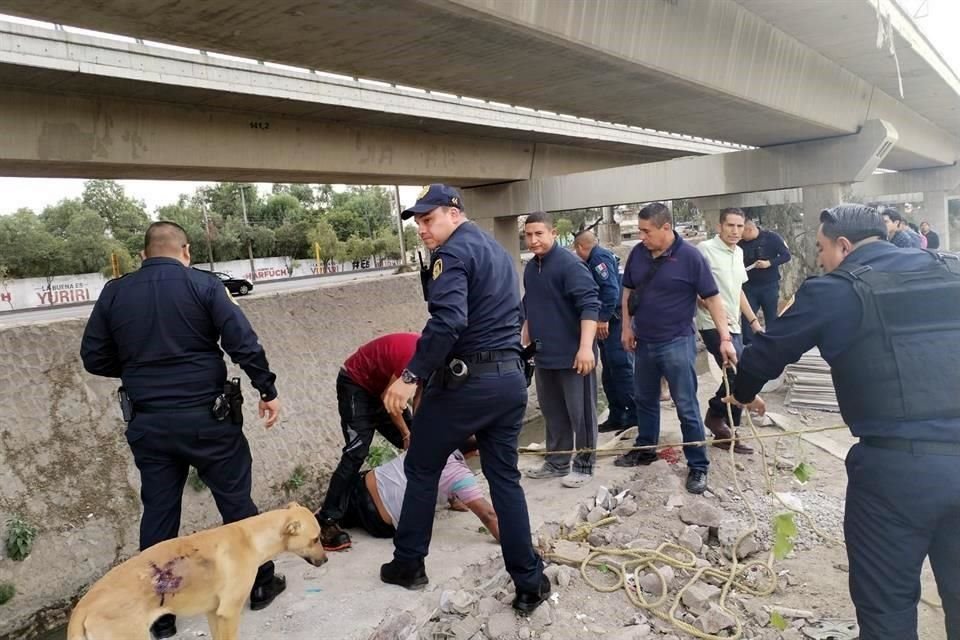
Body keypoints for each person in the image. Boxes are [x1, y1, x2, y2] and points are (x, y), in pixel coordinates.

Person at [728, 204, 960, 640]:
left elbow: (765, 353)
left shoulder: (837, 290)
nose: (820, 259)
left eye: (821, 248)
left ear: (844, 245)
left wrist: (742, 395)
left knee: (887, 607)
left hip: (895, 474)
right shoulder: (953, 270)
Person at [80, 221, 285, 640]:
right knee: (235, 501)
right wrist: (267, 388)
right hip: (208, 419)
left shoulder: (115, 292)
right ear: (185, 250)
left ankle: (161, 612)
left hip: (149, 423)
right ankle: (260, 583)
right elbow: (242, 341)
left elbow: (93, 356)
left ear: (143, 255)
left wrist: (140, 367)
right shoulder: (205, 286)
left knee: (158, 512)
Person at [379, 184, 550, 614]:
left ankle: (408, 564)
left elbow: (449, 320)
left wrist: (410, 376)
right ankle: (529, 581)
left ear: (454, 213)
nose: (422, 229)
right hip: (510, 380)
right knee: (504, 479)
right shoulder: (493, 250)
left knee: (421, 467)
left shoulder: (451, 254)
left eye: (428, 219)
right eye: (417, 222)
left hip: (465, 384)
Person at [613, 203, 736, 495]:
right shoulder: (638, 255)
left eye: (647, 231)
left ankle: (698, 464)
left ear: (666, 228)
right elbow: (628, 291)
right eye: (640, 231)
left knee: (686, 405)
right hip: (644, 342)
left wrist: (725, 338)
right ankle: (645, 448)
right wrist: (627, 328)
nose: (642, 237)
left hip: (677, 343)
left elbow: (713, 298)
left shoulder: (691, 257)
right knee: (644, 399)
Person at [314, 332, 418, 552]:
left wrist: (416, 430)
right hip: (355, 384)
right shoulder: (416, 355)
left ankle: (441, 494)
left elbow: (419, 397)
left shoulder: (436, 360)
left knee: (422, 442)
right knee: (356, 452)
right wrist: (406, 434)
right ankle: (327, 519)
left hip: (381, 389)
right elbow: (391, 400)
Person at [522, 212, 601, 488]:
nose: (533, 240)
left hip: (574, 355)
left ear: (553, 233)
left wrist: (585, 348)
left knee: (582, 413)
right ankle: (557, 462)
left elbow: (590, 305)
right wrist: (526, 341)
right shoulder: (532, 269)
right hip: (545, 356)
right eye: (528, 235)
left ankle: (584, 464)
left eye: (538, 234)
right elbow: (530, 306)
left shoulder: (570, 266)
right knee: (553, 412)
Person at [338, 438, 500, 542]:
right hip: (381, 525)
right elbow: (488, 515)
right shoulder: (460, 475)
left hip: (362, 489)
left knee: (347, 489)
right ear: (478, 452)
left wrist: (455, 499)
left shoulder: (431, 437)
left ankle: (331, 518)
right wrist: (514, 541)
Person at [695, 208, 759, 455]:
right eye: (730, 225)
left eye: (739, 226)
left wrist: (753, 321)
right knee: (737, 372)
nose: (735, 231)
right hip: (712, 323)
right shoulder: (705, 250)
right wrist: (700, 298)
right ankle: (723, 427)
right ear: (719, 226)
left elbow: (738, 290)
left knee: (740, 373)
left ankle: (717, 417)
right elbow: (692, 282)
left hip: (736, 324)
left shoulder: (739, 251)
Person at [573, 230, 638, 434]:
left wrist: (603, 318)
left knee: (621, 369)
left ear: (581, 247)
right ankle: (617, 415)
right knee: (610, 372)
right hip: (609, 319)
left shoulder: (599, 258)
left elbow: (610, 290)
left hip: (613, 320)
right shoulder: (600, 256)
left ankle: (634, 418)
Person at [738, 217, 791, 344]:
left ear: (749, 229)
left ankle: (772, 346)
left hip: (769, 286)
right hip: (748, 287)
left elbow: (786, 256)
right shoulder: (740, 244)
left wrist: (769, 263)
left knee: (771, 318)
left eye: (742, 232)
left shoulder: (771, 238)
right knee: (747, 319)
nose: (740, 236)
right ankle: (749, 347)